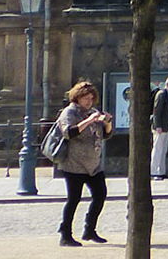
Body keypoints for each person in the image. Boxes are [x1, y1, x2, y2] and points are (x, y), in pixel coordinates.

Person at [52, 79, 113, 246]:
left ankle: (89, 230)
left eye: (91, 98)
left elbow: (106, 134)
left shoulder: (92, 112)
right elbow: (68, 133)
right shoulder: (69, 112)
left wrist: (107, 123)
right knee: (73, 199)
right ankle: (65, 234)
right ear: (77, 97)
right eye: (86, 98)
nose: (89, 101)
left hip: (93, 165)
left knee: (100, 195)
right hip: (74, 164)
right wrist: (89, 120)